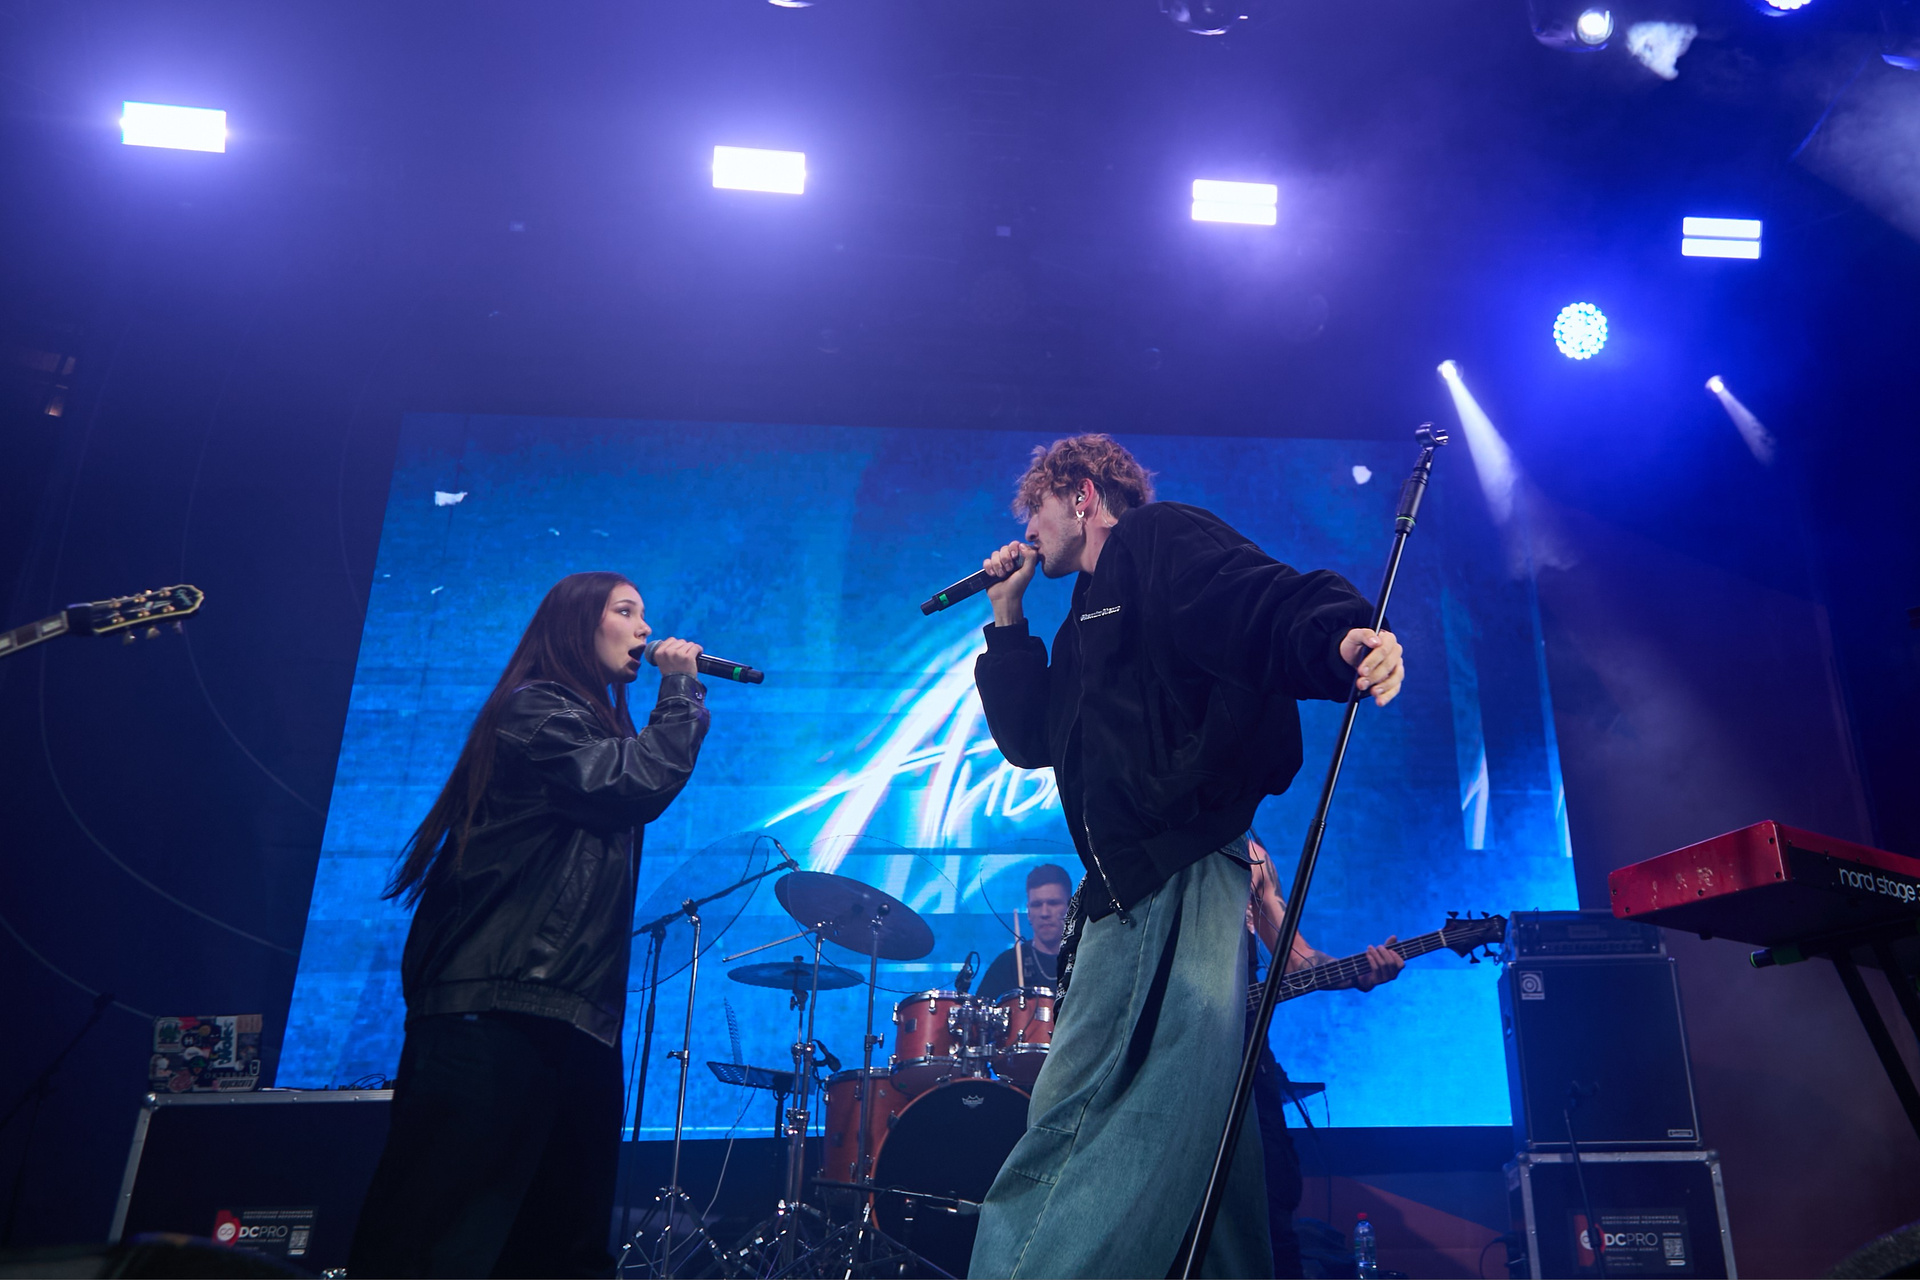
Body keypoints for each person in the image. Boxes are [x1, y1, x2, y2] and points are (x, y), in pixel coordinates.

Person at [966, 434, 1406, 1280]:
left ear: (1081, 494)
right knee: (1211, 1153)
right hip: (1157, 880)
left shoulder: (1157, 540)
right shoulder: (1084, 615)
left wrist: (1342, 638)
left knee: (1077, 1114)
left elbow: (1260, 600)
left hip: (1168, 875)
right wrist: (1008, 620)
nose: (1027, 529)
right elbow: (1030, 741)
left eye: (1036, 509)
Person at [348, 572, 710, 1279]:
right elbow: (633, 784)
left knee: (559, 1249)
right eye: (626, 611)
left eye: (644, 615)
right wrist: (679, 694)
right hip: (498, 1010)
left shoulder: (594, 725)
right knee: (439, 1240)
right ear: (577, 624)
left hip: (570, 1017)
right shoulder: (536, 710)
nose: (644, 629)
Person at [1243, 833, 1404, 1279]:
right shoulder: (1163, 838)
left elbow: (1297, 958)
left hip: (1247, 1057)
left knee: (1274, 1199)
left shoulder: (1253, 856)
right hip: (1177, 1057)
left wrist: (1358, 974)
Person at [978, 862, 1073, 998]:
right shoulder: (1006, 965)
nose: (1044, 913)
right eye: (1037, 905)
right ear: (1028, 913)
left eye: (1053, 903)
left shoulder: (1086, 961)